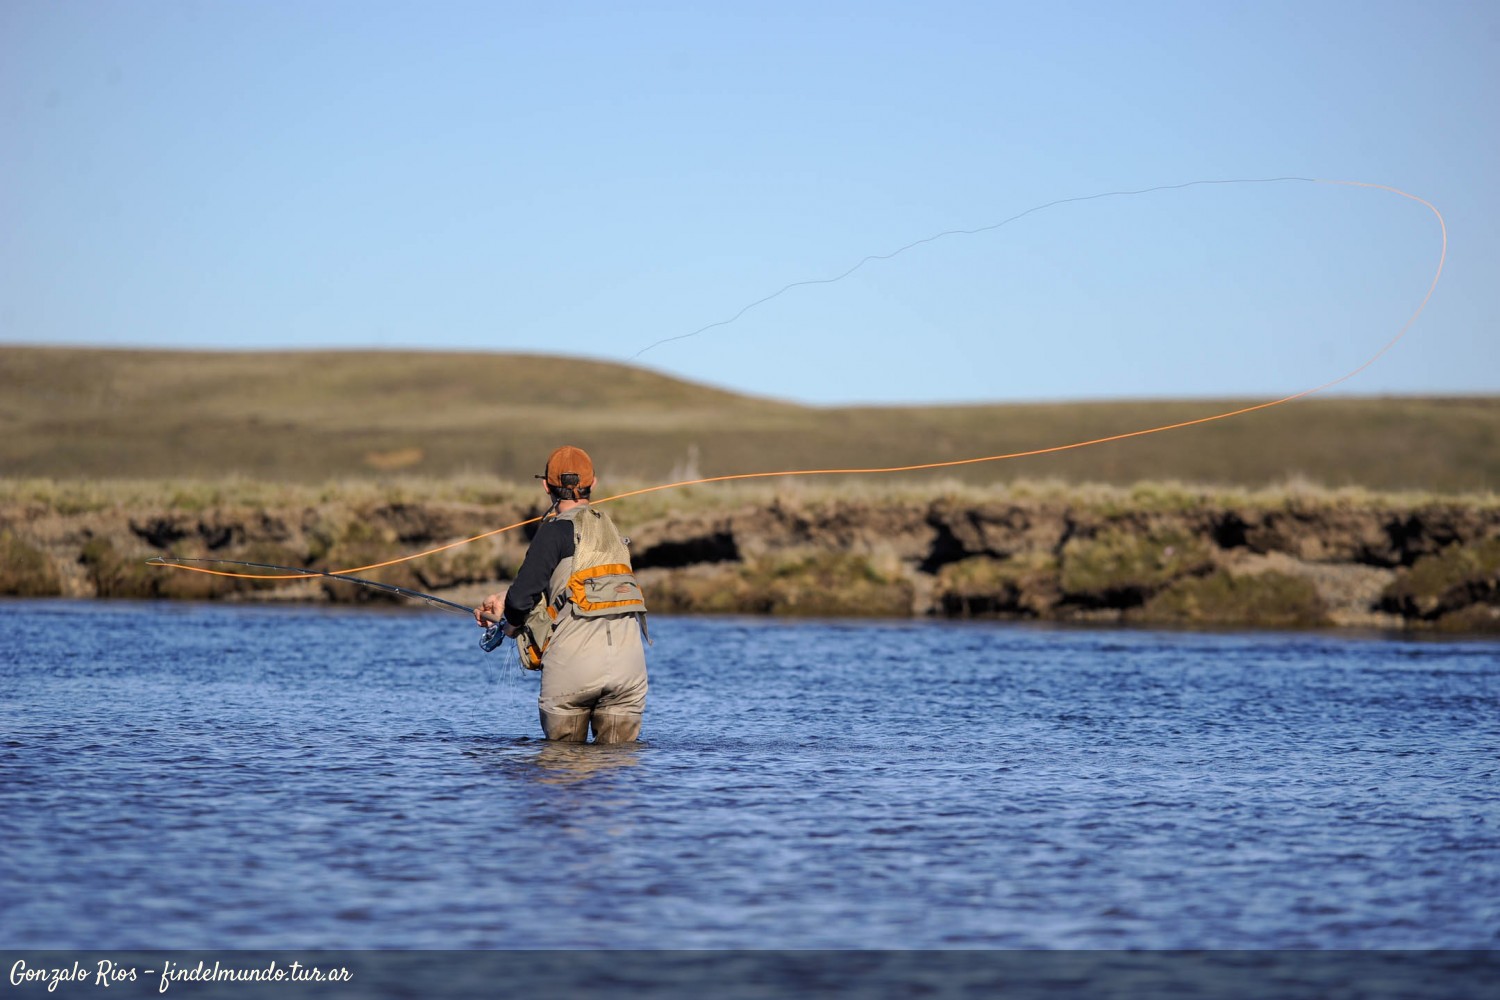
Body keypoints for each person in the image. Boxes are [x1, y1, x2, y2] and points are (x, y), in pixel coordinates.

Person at [475, 446, 649, 743]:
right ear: (593, 483)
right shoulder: (614, 532)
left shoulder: (553, 532)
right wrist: (508, 597)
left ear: (546, 486)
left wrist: (510, 625)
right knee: (617, 768)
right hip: (628, 670)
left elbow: (521, 601)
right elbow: (578, 580)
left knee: (562, 765)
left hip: (572, 670)